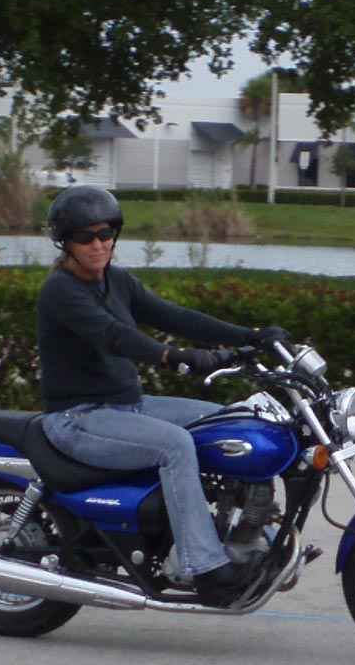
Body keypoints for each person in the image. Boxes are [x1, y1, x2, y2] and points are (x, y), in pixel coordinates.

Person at [37, 185, 292, 607]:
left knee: (234, 423)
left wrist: (252, 337)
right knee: (176, 446)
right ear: (65, 242)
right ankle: (205, 567)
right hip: (77, 418)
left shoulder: (117, 280)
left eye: (105, 233)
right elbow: (114, 335)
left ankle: (245, 532)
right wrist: (173, 357)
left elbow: (176, 317)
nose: (97, 244)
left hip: (127, 406)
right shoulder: (61, 291)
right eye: (84, 237)